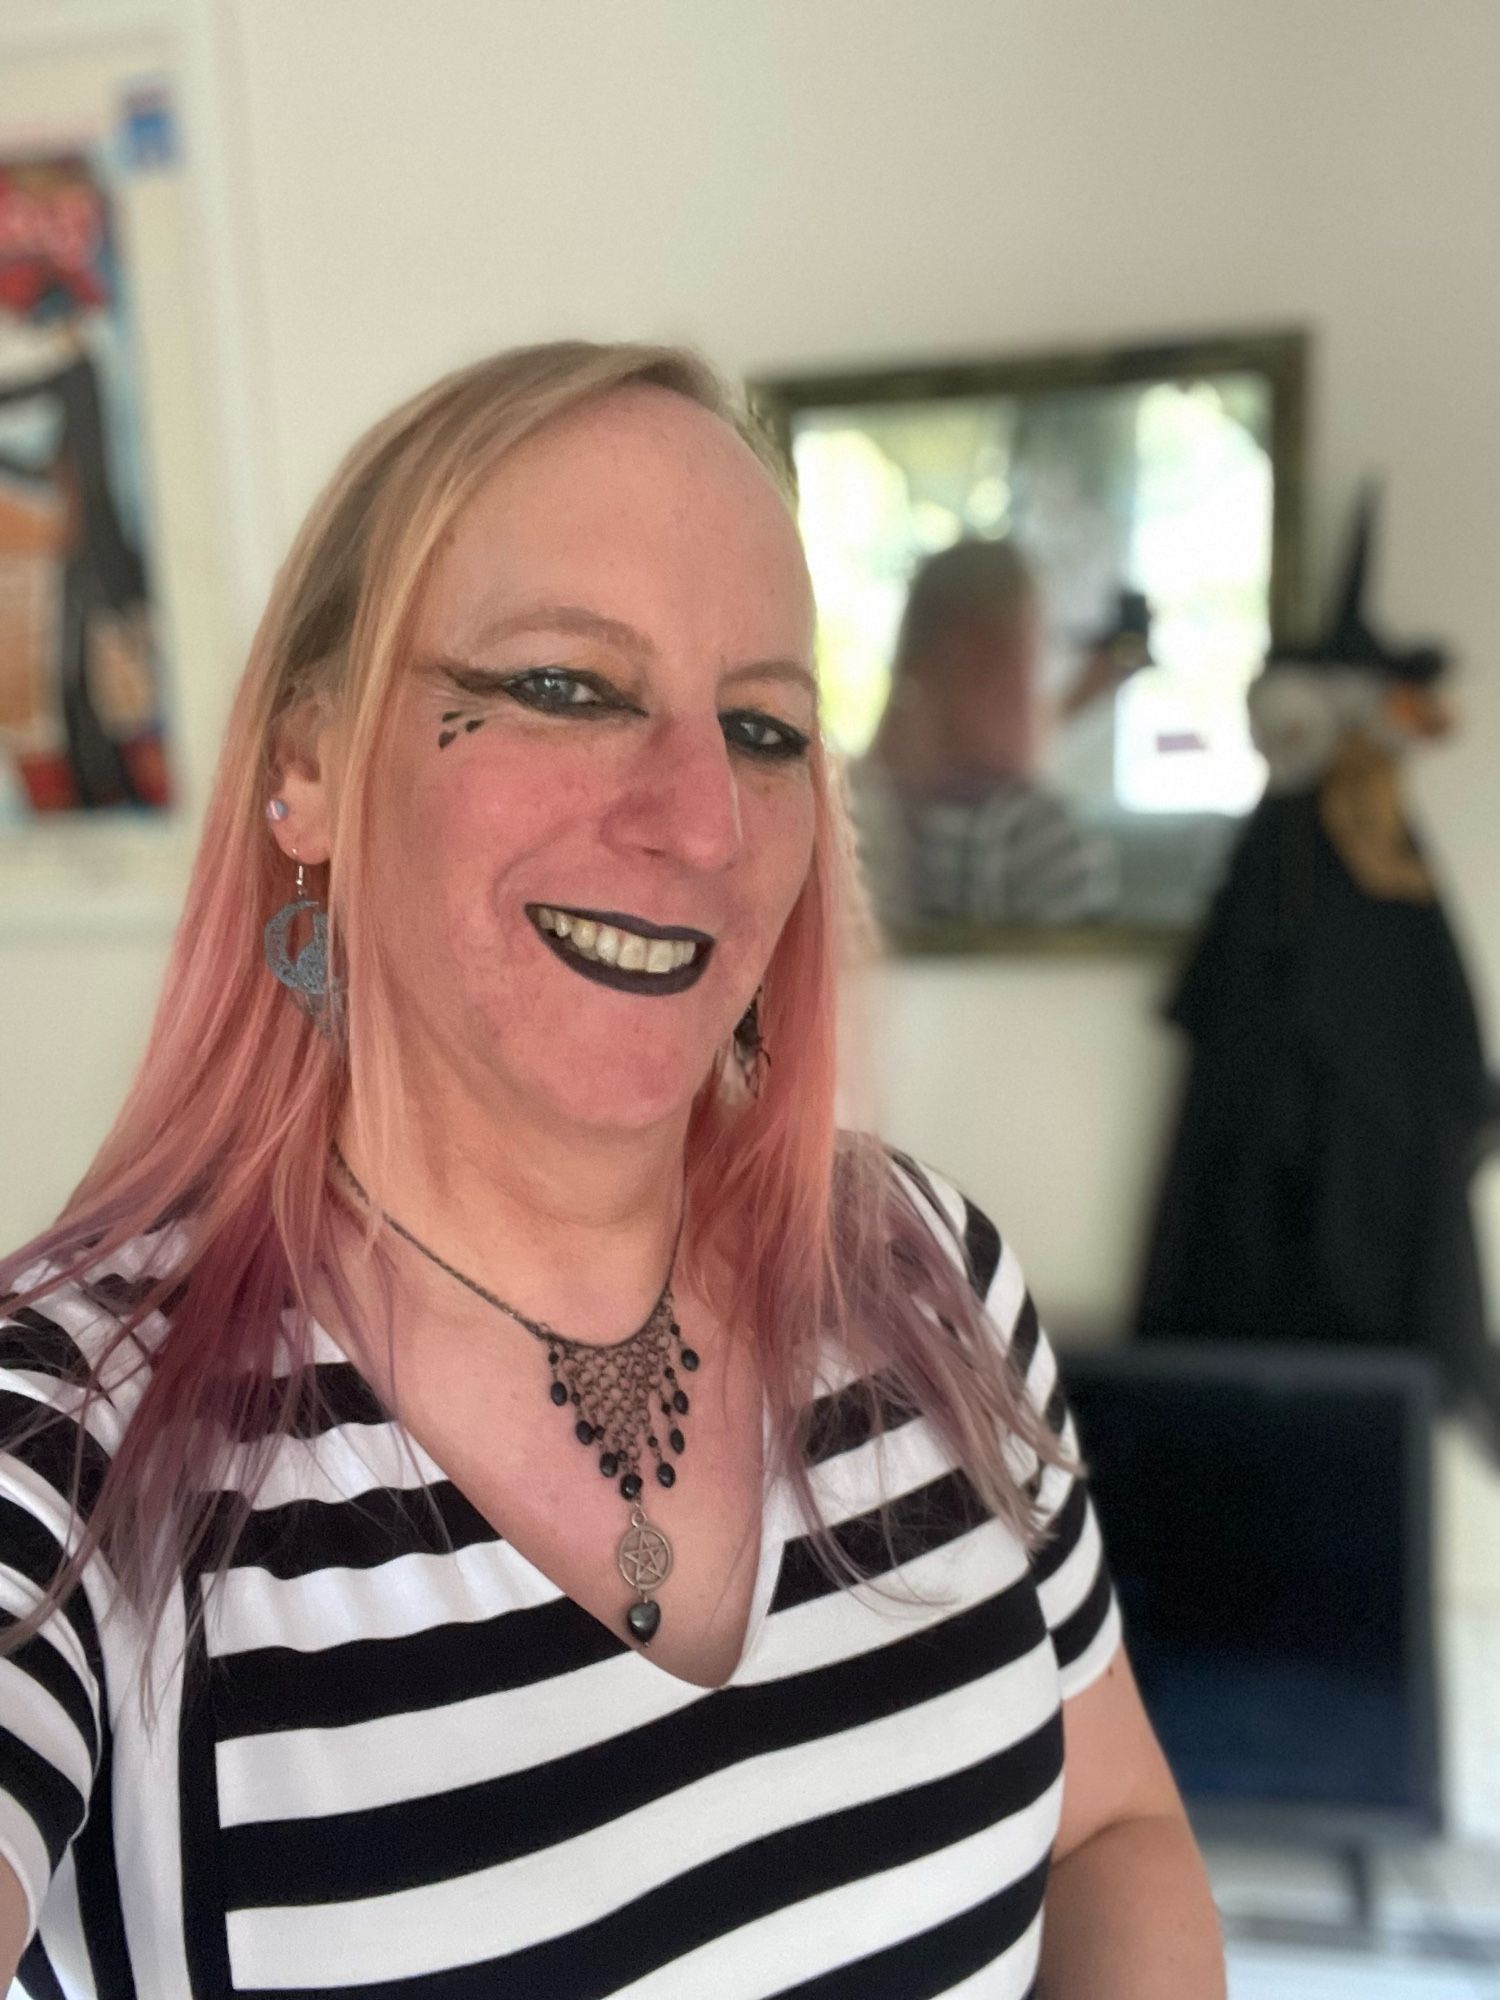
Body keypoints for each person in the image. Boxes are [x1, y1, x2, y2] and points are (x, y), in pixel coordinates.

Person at [0, 341, 1224, 1996]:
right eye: (569, 687)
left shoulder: (924, 1265)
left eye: (766, 728)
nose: (704, 821)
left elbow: (1112, 1832)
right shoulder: (74, 1431)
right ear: (308, 765)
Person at [848, 539, 1122, 929]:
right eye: (1038, 655)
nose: (1041, 690)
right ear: (982, 659)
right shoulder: (1031, 835)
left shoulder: (837, 809)